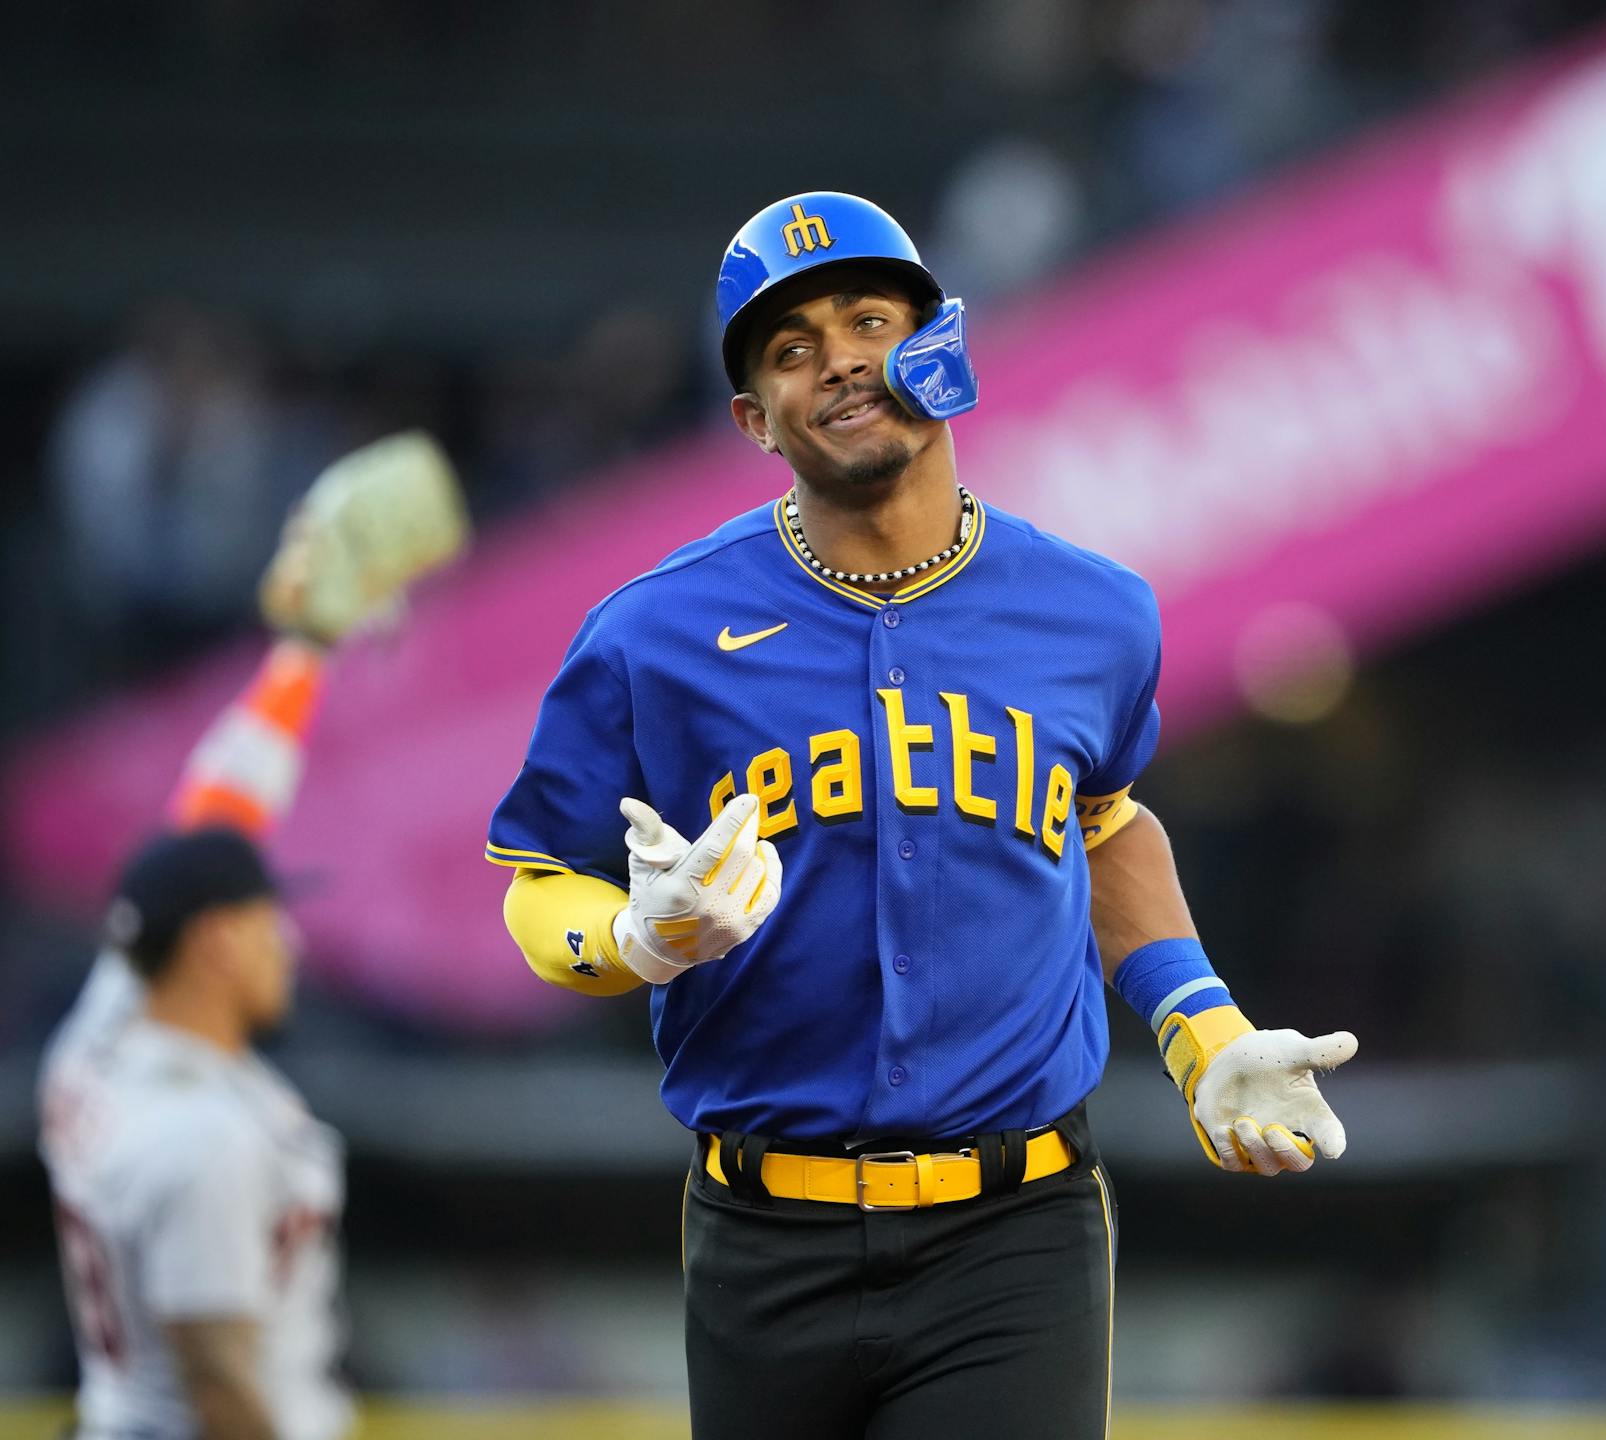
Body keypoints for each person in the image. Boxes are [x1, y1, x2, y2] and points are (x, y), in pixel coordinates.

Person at [489, 192, 1357, 1440]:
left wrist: (1203, 1031)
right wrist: (637, 939)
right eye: (790, 351)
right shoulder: (651, 633)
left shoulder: (1096, 613)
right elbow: (538, 881)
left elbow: (1102, 826)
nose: (839, 357)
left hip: (1015, 1230)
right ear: (754, 419)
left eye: (869, 318)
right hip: (763, 1232)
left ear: (939, 339)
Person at [37, 433, 467, 1440]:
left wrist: (303, 651)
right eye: (268, 919)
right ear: (216, 944)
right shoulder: (201, 1138)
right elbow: (219, 1381)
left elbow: (209, 827)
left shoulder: (97, 1045)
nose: (290, 941)